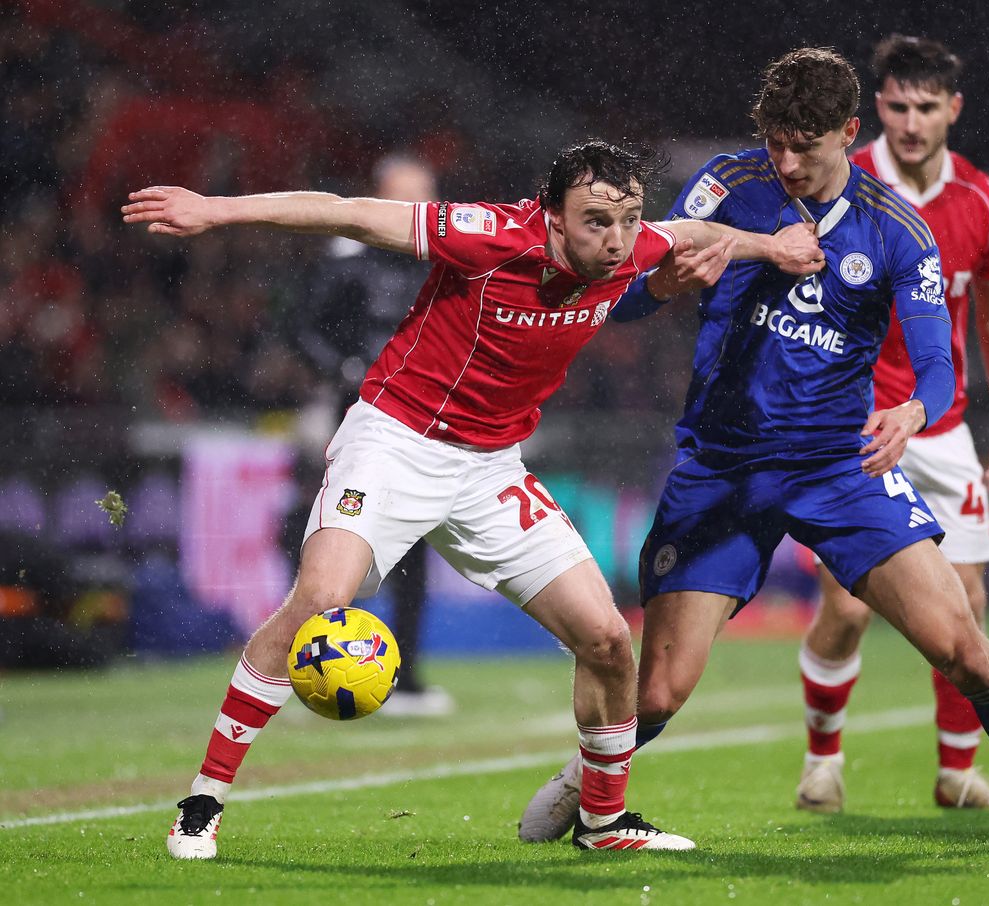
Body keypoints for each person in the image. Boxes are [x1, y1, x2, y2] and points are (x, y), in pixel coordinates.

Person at [122, 139, 826, 858]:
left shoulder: (637, 244)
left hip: (490, 468)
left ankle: (604, 827)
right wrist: (215, 209)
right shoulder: (489, 236)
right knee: (316, 602)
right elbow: (349, 214)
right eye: (593, 223)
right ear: (551, 217)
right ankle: (202, 803)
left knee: (610, 641)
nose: (616, 242)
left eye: (627, 222)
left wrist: (770, 247)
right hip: (396, 442)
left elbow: (699, 234)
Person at [518, 49, 989, 847]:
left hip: (837, 470)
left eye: (804, 146)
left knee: (961, 646)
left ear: (849, 134)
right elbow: (626, 296)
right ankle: (585, 781)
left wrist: (916, 409)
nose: (784, 162)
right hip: (721, 469)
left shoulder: (895, 230)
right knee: (661, 694)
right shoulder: (725, 186)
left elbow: (933, 357)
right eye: (774, 142)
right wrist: (667, 286)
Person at [795, 35, 989, 815]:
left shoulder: (985, 203)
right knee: (848, 606)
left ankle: (957, 773)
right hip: (853, 429)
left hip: (944, 427)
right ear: (877, 108)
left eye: (927, 107)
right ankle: (822, 760)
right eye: (896, 105)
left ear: (953, 109)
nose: (911, 121)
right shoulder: (843, 186)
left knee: (966, 608)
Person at [292, 153, 453, 717]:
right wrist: (343, 366)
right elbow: (304, 328)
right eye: (405, 196)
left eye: (424, 196)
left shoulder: (446, 256)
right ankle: (311, 661)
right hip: (355, 414)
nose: (417, 209)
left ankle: (406, 674)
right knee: (334, 535)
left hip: (429, 418)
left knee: (415, 544)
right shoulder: (347, 257)